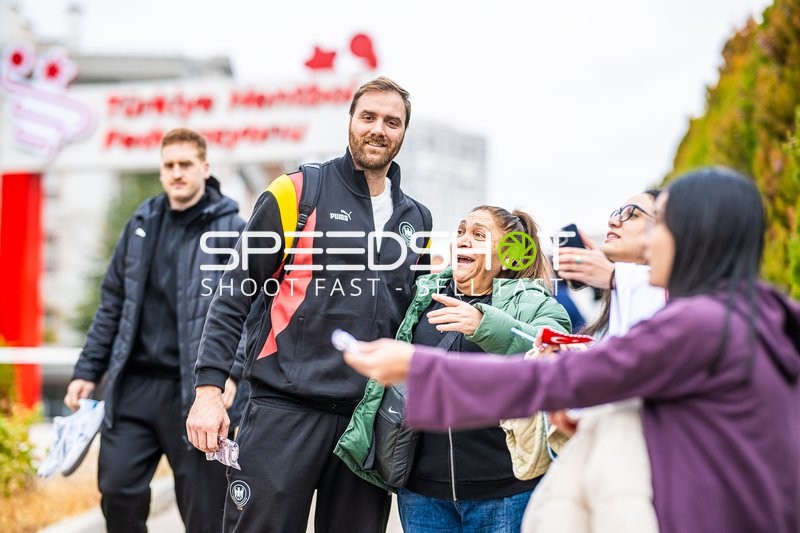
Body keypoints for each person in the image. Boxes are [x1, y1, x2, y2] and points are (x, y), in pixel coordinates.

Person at [344, 167, 800, 533]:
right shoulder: (766, 313)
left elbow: (559, 376)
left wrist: (422, 370)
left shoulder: (698, 323)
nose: (647, 239)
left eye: (661, 225)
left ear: (698, 236)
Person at [186, 76, 432, 533]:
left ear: (403, 133)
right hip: (284, 409)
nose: (379, 129)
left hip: (365, 424)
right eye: (369, 117)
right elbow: (233, 292)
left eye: (392, 122)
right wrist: (208, 392)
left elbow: (412, 320)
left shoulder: (416, 218)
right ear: (350, 123)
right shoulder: (297, 191)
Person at [336, 205, 571, 532]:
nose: (462, 240)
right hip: (422, 493)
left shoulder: (532, 301)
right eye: (460, 231)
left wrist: (484, 324)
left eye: (478, 235)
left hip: (504, 493)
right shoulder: (423, 295)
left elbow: (556, 352)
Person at [65, 128, 247, 533]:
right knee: (118, 492)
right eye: (169, 166)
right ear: (161, 171)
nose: (177, 173)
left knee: (205, 514)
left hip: (197, 392)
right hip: (133, 389)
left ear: (205, 167)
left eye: (185, 164)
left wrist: (231, 372)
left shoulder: (234, 229)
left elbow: (250, 310)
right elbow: (112, 303)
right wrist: (86, 371)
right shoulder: (141, 224)